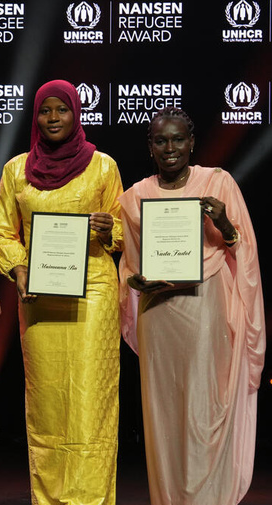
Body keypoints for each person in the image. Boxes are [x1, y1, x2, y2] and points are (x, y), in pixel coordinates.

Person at [118, 107, 266, 504]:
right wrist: (139, 282)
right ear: (150, 147)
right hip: (159, 314)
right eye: (161, 141)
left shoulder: (218, 183)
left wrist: (226, 225)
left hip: (206, 311)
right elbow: (130, 268)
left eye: (178, 139)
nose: (170, 148)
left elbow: (243, 249)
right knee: (164, 416)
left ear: (192, 142)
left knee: (205, 409)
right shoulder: (133, 198)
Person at [0, 79, 123, 504]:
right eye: (45, 111)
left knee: (90, 403)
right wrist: (19, 267)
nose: (52, 118)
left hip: (93, 294)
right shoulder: (15, 170)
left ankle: (91, 499)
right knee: (48, 404)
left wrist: (109, 228)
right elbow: (2, 234)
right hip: (41, 297)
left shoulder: (104, 167)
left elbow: (122, 230)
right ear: (35, 117)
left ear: (76, 113)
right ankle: (49, 499)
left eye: (61, 110)